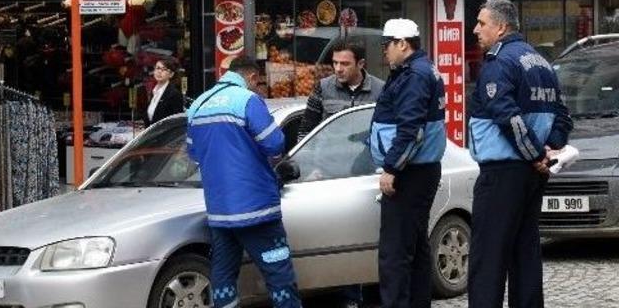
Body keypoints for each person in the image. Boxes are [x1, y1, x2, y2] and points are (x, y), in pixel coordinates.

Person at [467, 0, 573, 308]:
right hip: (531, 176)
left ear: (501, 27)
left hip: (503, 173)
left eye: (481, 23)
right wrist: (549, 150)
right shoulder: (540, 62)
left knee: (488, 257)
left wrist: (534, 155)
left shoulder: (499, 62)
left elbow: (507, 116)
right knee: (525, 254)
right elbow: (564, 116)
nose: (475, 29)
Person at [186, 56, 301, 308]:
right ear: (250, 77)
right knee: (278, 273)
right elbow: (275, 144)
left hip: (219, 211)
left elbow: (193, 154)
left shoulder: (197, 106)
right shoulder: (248, 100)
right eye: (258, 82)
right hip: (257, 209)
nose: (258, 87)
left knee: (224, 275)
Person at [297, 38, 384, 308]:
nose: (337, 68)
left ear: (361, 64)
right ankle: (347, 299)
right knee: (338, 239)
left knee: (368, 239)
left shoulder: (381, 90)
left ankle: (373, 296)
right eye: (334, 63)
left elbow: (388, 133)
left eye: (344, 63)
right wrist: (310, 168)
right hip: (328, 178)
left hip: (366, 179)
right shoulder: (323, 88)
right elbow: (305, 131)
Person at [369, 19, 446, 308]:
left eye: (386, 45)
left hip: (410, 172)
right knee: (415, 246)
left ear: (403, 43)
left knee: (395, 252)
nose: (384, 52)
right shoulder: (418, 70)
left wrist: (391, 168)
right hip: (420, 169)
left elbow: (411, 129)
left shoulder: (414, 74)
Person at [143, 56, 185, 127]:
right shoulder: (153, 91)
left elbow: (177, 123)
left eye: (164, 69)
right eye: (158, 68)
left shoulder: (174, 94)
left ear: (171, 74)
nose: (159, 72)